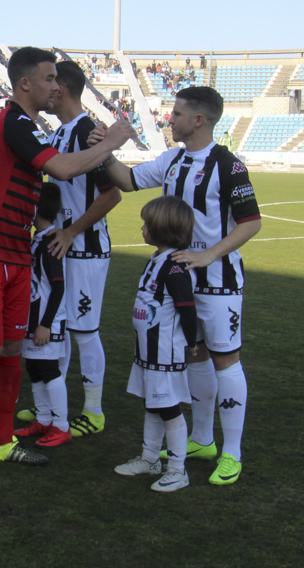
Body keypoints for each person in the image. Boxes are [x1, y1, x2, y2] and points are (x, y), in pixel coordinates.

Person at [0, 47, 135, 466]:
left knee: (11, 350)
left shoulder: (27, 126)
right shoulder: (15, 121)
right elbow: (60, 169)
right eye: (50, 79)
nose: (57, 86)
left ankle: (2, 443)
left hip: (16, 254)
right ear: (25, 83)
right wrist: (113, 139)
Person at [92, 86, 261, 485]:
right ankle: (202, 439)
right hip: (178, 281)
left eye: (178, 114)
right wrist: (104, 151)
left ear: (199, 120)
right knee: (194, 357)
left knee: (225, 361)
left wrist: (209, 254)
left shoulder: (229, 166)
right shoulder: (172, 160)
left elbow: (251, 222)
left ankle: (232, 453)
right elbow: (129, 180)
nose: (171, 119)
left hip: (218, 283)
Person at [26, 60, 122, 438]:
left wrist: (71, 231)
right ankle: (54, 411)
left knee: (84, 331)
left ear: (60, 89)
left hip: (86, 250)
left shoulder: (88, 133)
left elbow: (111, 194)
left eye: (50, 82)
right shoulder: (60, 134)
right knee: (61, 330)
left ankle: (94, 411)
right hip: (64, 247)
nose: (47, 90)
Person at [113, 195, 198, 493]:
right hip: (147, 351)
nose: (142, 228)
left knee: (169, 408)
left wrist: (192, 343)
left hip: (164, 353)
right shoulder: (157, 259)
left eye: (147, 224)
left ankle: (177, 469)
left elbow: (187, 308)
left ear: (161, 229)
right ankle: (150, 458)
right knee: (153, 405)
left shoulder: (174, 267)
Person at [11, 183, 72, 448]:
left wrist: (46, 324)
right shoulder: (37, 239)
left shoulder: (50, 242)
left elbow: (58, 286)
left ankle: (61, 425)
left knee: (49, 370)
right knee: (34, 369)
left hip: (47, 322)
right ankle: (44, 419)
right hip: (31, 320)